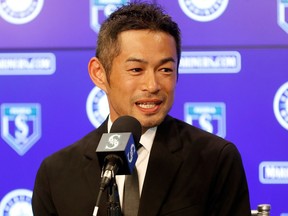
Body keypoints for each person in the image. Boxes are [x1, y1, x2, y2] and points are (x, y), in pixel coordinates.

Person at [32, 2, 251, 216]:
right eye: (136, 69)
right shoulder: (56, 173)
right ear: (99, 73)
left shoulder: (215, 160)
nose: (153, 85)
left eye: (165, 69)